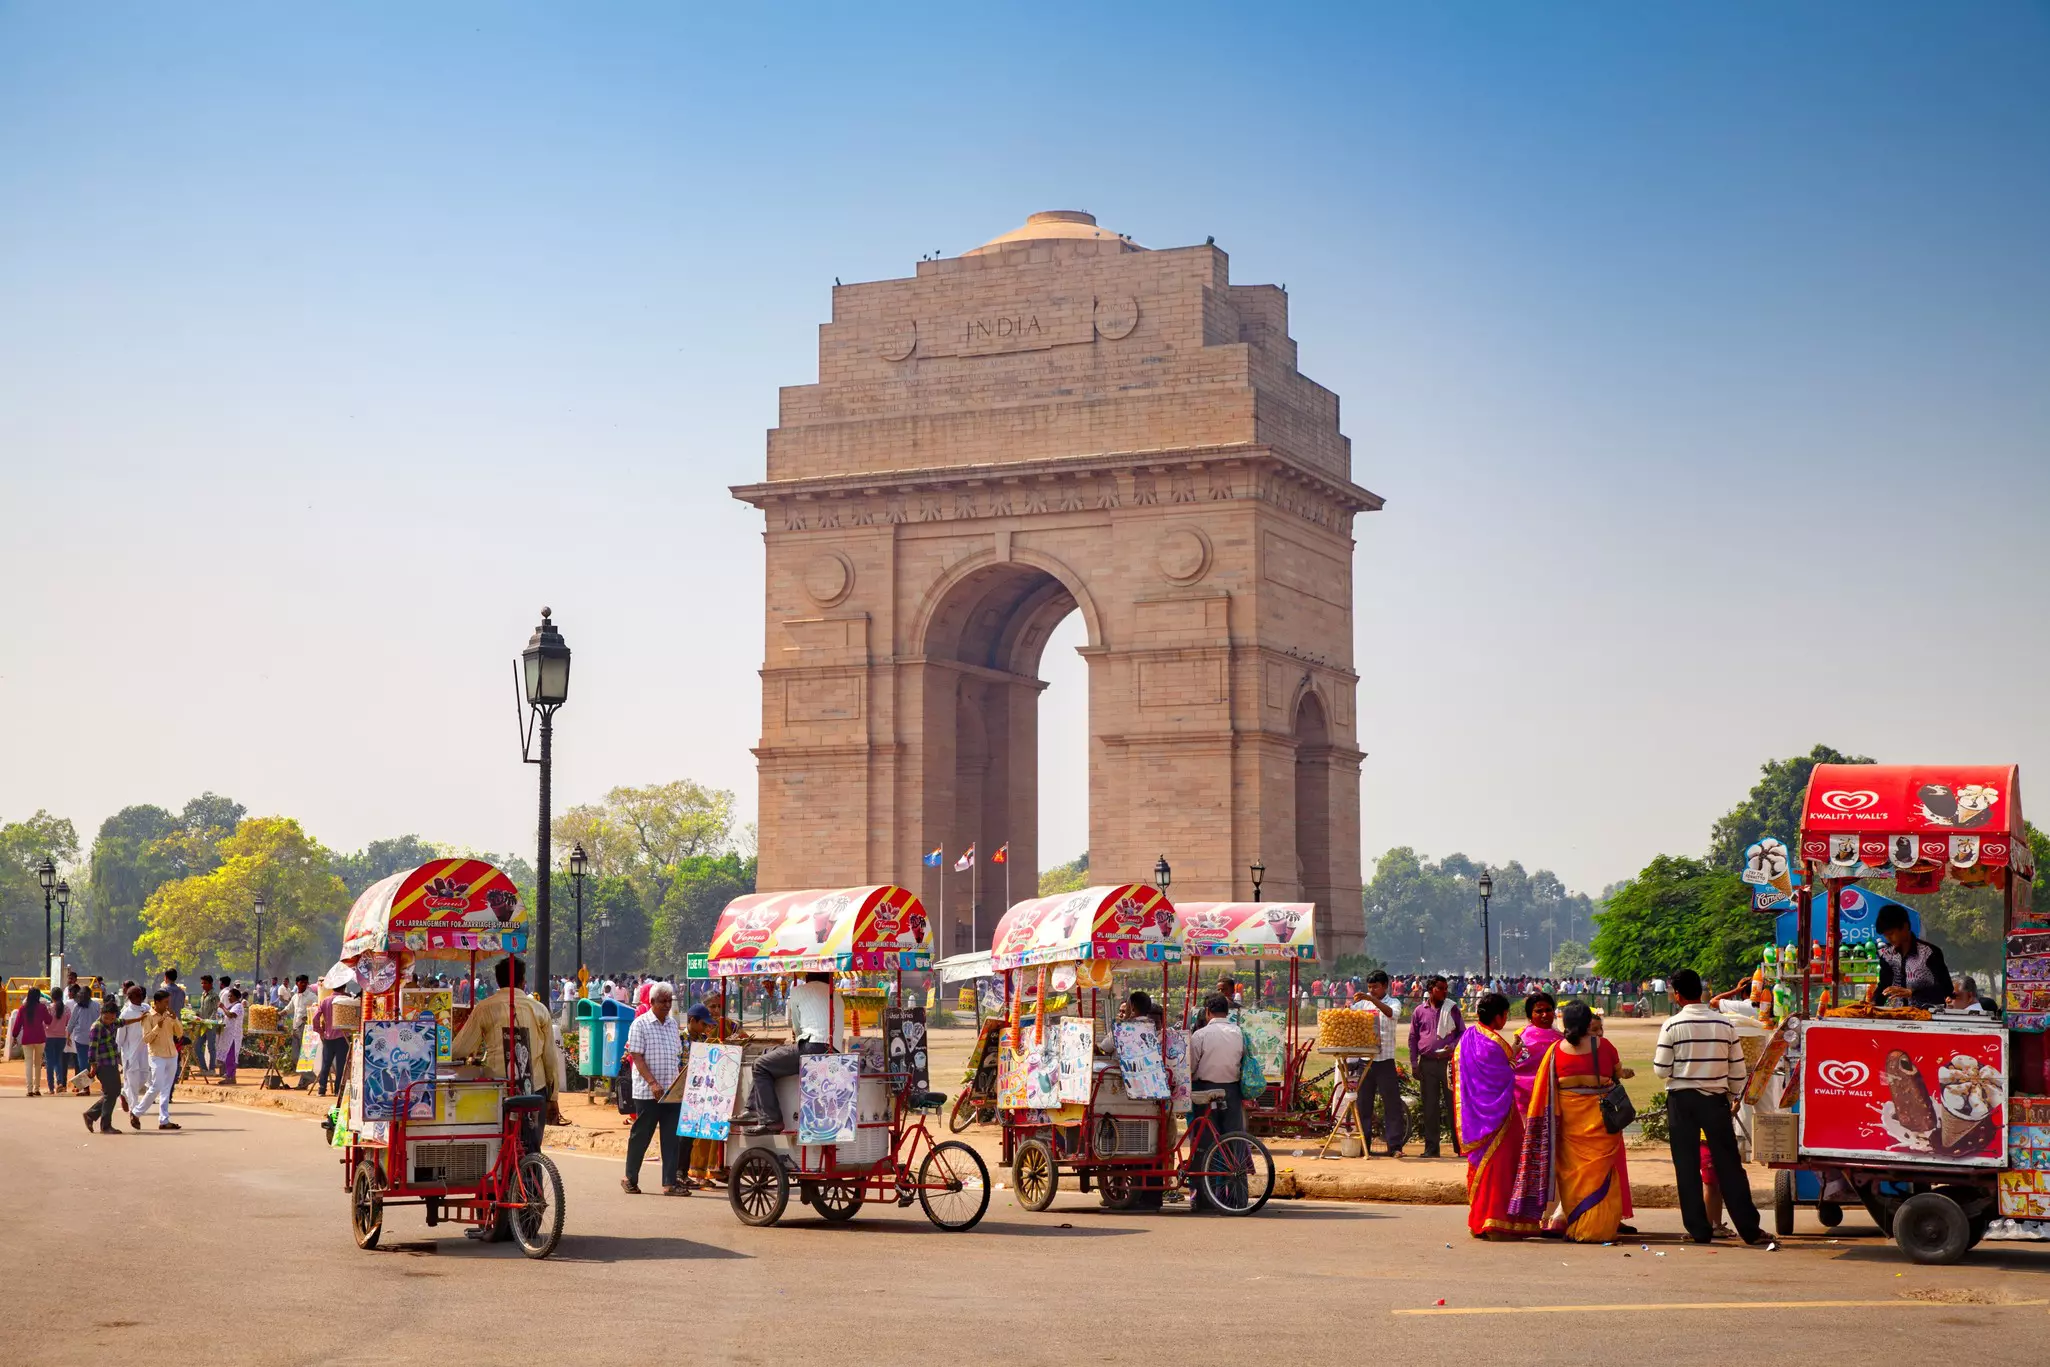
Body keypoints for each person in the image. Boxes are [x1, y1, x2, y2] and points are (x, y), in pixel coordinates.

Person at [1652, 969, 1766, 1245]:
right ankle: (1750, 1229)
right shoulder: (1725, 1026)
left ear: (1677, 995)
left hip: (1682, 1100)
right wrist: (1731, 1095)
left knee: (1687, 1166)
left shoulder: (1671, 1026)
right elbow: (1738, 1072)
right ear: (1701, 991)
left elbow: (1660, 1069)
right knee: (1730, 1165)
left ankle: (1699, 1229)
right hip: (1716, 1100)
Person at [1510, 1000, 1629, 1242]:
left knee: (1571, 1175)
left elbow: (1545, 1088)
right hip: (1601, 1122)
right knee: (1601, 1174)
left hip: (1569, 1124)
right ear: (1588, 1023)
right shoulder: (1604, 1046)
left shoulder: (1555, 1050)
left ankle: (1575, 1224)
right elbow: (1616, 1075)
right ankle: (1598, 1227)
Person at [450, 956, 566, 1157]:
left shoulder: (484, 1008)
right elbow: (550, 1058)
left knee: (497, 1150)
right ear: (523, 981)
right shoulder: (539, 1009)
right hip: (535, 1090)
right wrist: (553, 1097)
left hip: (498, 1091)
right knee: (532, 1150)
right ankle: (532, 1186)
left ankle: (503, 1186)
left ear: (497, 981)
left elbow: (459, 1049)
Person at [1450, 993, 1535, 1239]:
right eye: (1505, 1015)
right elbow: (1503, 1077)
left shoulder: (1467, 1037)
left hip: (1475, 1118)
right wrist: (1515, 1053)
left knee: (1481, 1167)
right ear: (1499, 1016)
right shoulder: (1495, 1043)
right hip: (1501, 1118)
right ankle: (1498, 1221)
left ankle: (1480, 1220)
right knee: (1502, 1167)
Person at [741, 971, 842, 1135]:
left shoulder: (798, 990)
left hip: (812, 1047)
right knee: (767, 1053)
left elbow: (797, 1027)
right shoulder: (836, 995)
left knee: (760, 1065)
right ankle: (752, 1107)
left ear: (808, 976)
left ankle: (771, 1119)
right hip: (834, 1051)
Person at [621, 985, 686, 1196]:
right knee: (641, 1135)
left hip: (670, 1091)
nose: (667, 1006)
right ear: (652, 1002)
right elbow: (637, 1057)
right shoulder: (640, 1024)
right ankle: (629, 1178)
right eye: (662, 1001)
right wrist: (652, 1083)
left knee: (671, 1137)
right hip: (648, 1092)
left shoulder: (672, 1025)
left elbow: (677, 1055)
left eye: (669, 1001)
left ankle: (669, 1183)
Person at [1186, 993, 1247, 1212]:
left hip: (1205, 1090)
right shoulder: (1239, 1032)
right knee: (1234, 1142)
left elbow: (1190, 1067)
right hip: (1232, 1090)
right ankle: (1238, 1197)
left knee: (1203, 1143)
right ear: (1227, 1012)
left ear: (1207, 1012)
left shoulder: (1200, 1035)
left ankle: (1203, 1199)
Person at [1408, 976, 1463, 1158]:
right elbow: (1413, 1038)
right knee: (1429, 1107)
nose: (1445, 991)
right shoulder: (1419, 1011)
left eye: (1446, 988)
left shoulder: (1452, 1008)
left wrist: (1452, 1046)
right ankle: (1431, 1149)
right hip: (1427, 1063)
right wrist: (1414, 1064)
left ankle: (1459, 1147)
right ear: (1431, 989)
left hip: (1447, 1063)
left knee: (1453, 1105)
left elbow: (1462, 1034)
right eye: (1441, 988)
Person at [1356, 971, 1406, 1156]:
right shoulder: (1361, 1004)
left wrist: (1373, 1000)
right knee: (1363, 1105)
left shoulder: (1394, 1003)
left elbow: (1390, 1013)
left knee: (1392, 1105)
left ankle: (1395, 1147)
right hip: (1365, 1061)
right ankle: (1364, 1146)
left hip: (1385, 1060)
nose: (1372, 991)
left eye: (1375, 987)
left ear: (1385, 986)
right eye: (1369, 987)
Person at [1869, 905, 1954, 1008]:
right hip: (1897, 1016)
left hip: (1928, 1017)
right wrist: (1873, 1003)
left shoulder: (1930, 952)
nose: (1888, 939)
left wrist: (1913, 992)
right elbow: (1884, 986)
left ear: (1905, 927)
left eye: (1891, 933)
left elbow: (1946, 989)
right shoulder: (1887, 956)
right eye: (1885, 935)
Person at [684, 1003, 730, 1188]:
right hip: (689, 1092)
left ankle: (711, 1170)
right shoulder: (681, 1039)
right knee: (695, 1136)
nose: (705, 1028)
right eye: (703, 1024)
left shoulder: (705, 1039)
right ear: (692, 1021)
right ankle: (695, 1173)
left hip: (707, 1090)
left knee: (709, 1132)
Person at [1510, 992, 1560, 1117]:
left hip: (1553, 1095)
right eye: (1539, 1011)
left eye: (1548, 1010)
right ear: (1530, 1015)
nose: (1545, 1014)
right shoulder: (1521, 1037)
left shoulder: (1562, 1039)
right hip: (1524, 1096)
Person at [81, 998, 126, 1133]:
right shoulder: (97, 1027)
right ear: (101, 1013)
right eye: (106, 1018)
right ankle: (105, 1125)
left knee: (115, 1091)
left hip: (112, 1062)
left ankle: (91, 1114)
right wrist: (93, 1065)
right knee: (110, 1092)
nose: (109, 1021)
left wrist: (139, 1018)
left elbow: (122, 1022)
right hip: (102, 1064)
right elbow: (92, 1048)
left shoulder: (112, 1024)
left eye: (112, 1019)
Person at [141, 989, 183, 1130]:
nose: (167, 1005)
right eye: (165, 1002)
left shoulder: (168, 1015)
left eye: (168, 1002)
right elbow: (147, 1039)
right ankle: (136, 1112)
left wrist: (175, 1018)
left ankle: (164, 1120)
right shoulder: (148, 1017)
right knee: (156, 1086)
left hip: (171, 1055)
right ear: (157, 1002)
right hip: (157, 1055)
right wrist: (157, 1028)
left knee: (166, 1089)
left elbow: (179, 1033)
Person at [8, 986, 52, 1095]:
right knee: (38, 1064)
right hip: (40, 1038)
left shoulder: (23, 1008)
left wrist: (14, 1036)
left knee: (28, 1064)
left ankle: (29, 1089)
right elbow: (49, 1020)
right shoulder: (42, 1007)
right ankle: (37, 1089)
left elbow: (17, 1024)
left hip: (27, 1039)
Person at [312, 987, 352, 1096]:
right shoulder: (347, 1000)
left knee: (326, 1064)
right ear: (344, 988)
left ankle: (322, 1089)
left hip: (328, 1037)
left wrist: (319, 1031)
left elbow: (315, 1017)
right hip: (343, 1038)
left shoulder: (325, 1001)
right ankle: (337, 1090)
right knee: (341, 1065)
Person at [66, 985, 97, 1092]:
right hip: (94, 1039)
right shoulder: (96, 1005)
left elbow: (72, 1023)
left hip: (80, 1039)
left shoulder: (77, 1006)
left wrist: (68, 1035)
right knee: (92, 1062)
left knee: (83, 1063)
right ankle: (87, 1086)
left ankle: (85, 1087)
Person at [217, 987, 246, 1085]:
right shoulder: (232, 1006)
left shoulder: (238, 1006)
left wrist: (222, 1007)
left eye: (231, 996)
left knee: (231, 1056)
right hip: (229, 1035)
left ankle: (230, 1076)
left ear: (236, 997)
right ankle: (230, 1076)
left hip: (234, 1036)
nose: (229, 997)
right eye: (228, 996)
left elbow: (230, 1015)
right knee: (228, 1056)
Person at [192, 975, 220, 1075]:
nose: (203, 985)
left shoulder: (214, 996)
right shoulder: (203, 994)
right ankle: (203, 1069)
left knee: (211, 1047)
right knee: (197, 1046)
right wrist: (195, 1014)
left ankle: (212, 1069)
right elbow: (202, 1009)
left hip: (210, 1025)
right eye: (202, 983)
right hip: (203, 1025)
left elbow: (215, 1010)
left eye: (205, 983)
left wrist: (209, 1021)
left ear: (210, 984)